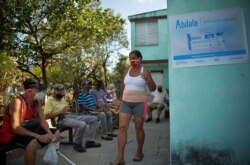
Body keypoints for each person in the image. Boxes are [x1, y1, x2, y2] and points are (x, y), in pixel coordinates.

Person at [0, 78, 60, 165]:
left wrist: (49, 132)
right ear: (29, 91)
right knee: (32, 142)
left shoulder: (37, 101)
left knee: (56, 134)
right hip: (10, 133)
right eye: (39, 90)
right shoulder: (18, 102)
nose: (42, 93)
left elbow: (42, 119)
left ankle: (51, 161)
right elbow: (16, 128)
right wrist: (39, 137)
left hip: (28, 128)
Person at [111, 50, 156, 165]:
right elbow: (123, 84)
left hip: (140, 103)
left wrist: (147, 78)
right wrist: (120, 99)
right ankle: (120, 158)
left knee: (138, 127)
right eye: (130, 58)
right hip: (126, 102)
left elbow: (153, 88)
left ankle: (139, 151)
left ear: (140, 59)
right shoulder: (126, 71)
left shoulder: (145, 71)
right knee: (122, 128)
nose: (132, 60)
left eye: (134, 58)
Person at [44, 84, 101, 152]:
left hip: (69, 116)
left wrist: (69, 108)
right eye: (60, 93)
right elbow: (46, 116)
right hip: (60, 119)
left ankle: (90, 142)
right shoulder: (50, 100)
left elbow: (65, 108)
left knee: (93, 119)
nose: (62, 95)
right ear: (55, 91)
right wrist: (60, 112)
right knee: (82, 124)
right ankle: (77, 144)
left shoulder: (61, 98)